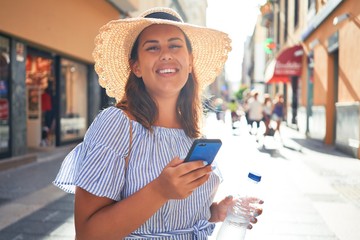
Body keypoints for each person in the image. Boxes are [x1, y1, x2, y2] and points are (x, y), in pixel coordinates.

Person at [53, 7, 262, 239]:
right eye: (152, 47)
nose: (165, 54)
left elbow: (176, 219)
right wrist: (159, 191)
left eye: (175, 45)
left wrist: (215, 211)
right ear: (137, 66)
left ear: (190, 61)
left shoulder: (192, 132)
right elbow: (87, 233)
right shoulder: (116, 125)